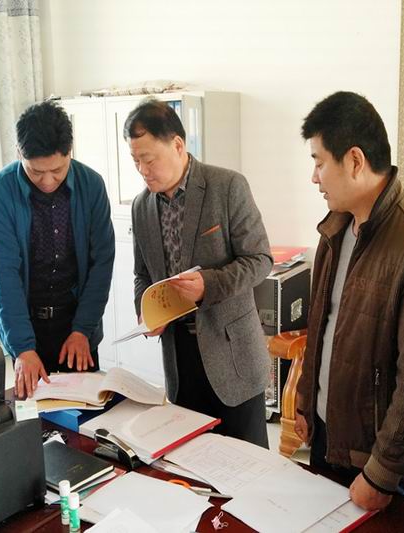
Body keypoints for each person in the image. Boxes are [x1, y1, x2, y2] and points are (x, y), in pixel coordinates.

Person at [295, 92, 404, 510]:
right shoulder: (335, 229)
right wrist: (305, 402)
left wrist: (381, 474)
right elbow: (322, 327)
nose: (314, 178)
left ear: (354, 160)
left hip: (381, 465)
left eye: (319, 162)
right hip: (329, 439)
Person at [126, 98, 272, 447]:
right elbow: (142, 274)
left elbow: (260, 260)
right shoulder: (141, 206)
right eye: (135, 161)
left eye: (149, 159)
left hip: (232, 355)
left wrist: (209, 284)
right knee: (190, 461)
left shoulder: (227, 186)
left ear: (178, 145)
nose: (143, 170)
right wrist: (145, 311)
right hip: (180, 359)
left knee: (246, 462)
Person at [0, 100, 115, 398]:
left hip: (76, 323)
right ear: (19, 154)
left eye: (57, 170)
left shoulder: (92, 185)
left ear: (70, 152)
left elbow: (102, 263)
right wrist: (23, 348)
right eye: (35, 171)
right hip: (25, 322)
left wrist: (82, 329)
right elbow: (5, 272)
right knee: (31, 413)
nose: (47, 181)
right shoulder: (0, 191)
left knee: (85, 411)